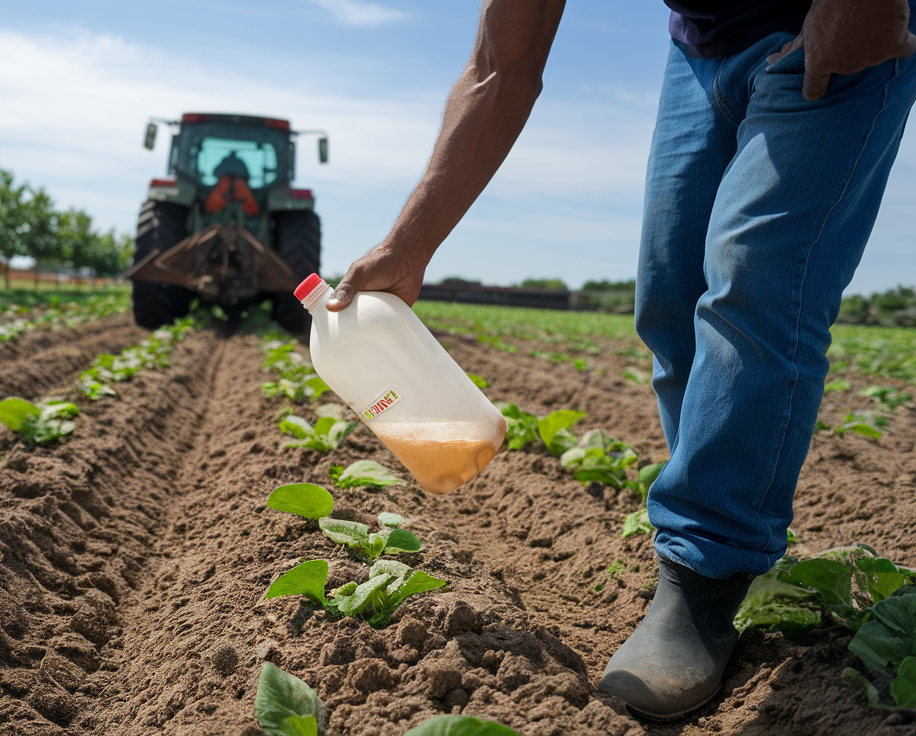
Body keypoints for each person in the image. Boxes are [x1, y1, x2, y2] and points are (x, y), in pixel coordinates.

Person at [325, 0, 916, 721]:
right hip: (702, 43)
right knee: (669, 296)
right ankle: (726, 528)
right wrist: (409, 242)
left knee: (758, 278)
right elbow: (500, 65)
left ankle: (706, 570)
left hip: (832, 21)